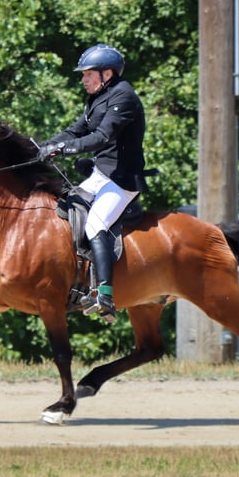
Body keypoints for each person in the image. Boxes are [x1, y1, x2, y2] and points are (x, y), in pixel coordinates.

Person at [39, 44, 148, 321]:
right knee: (65, 210)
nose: (84, 79)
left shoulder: (124, 98)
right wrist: (47, 145)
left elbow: (102, 137)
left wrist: (65, 149)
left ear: (106, 73)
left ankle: (105, 295)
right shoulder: (99, 97)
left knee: (95, 224)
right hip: (102, 175)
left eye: (88, 74)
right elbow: (76, 129)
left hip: (122, 179)